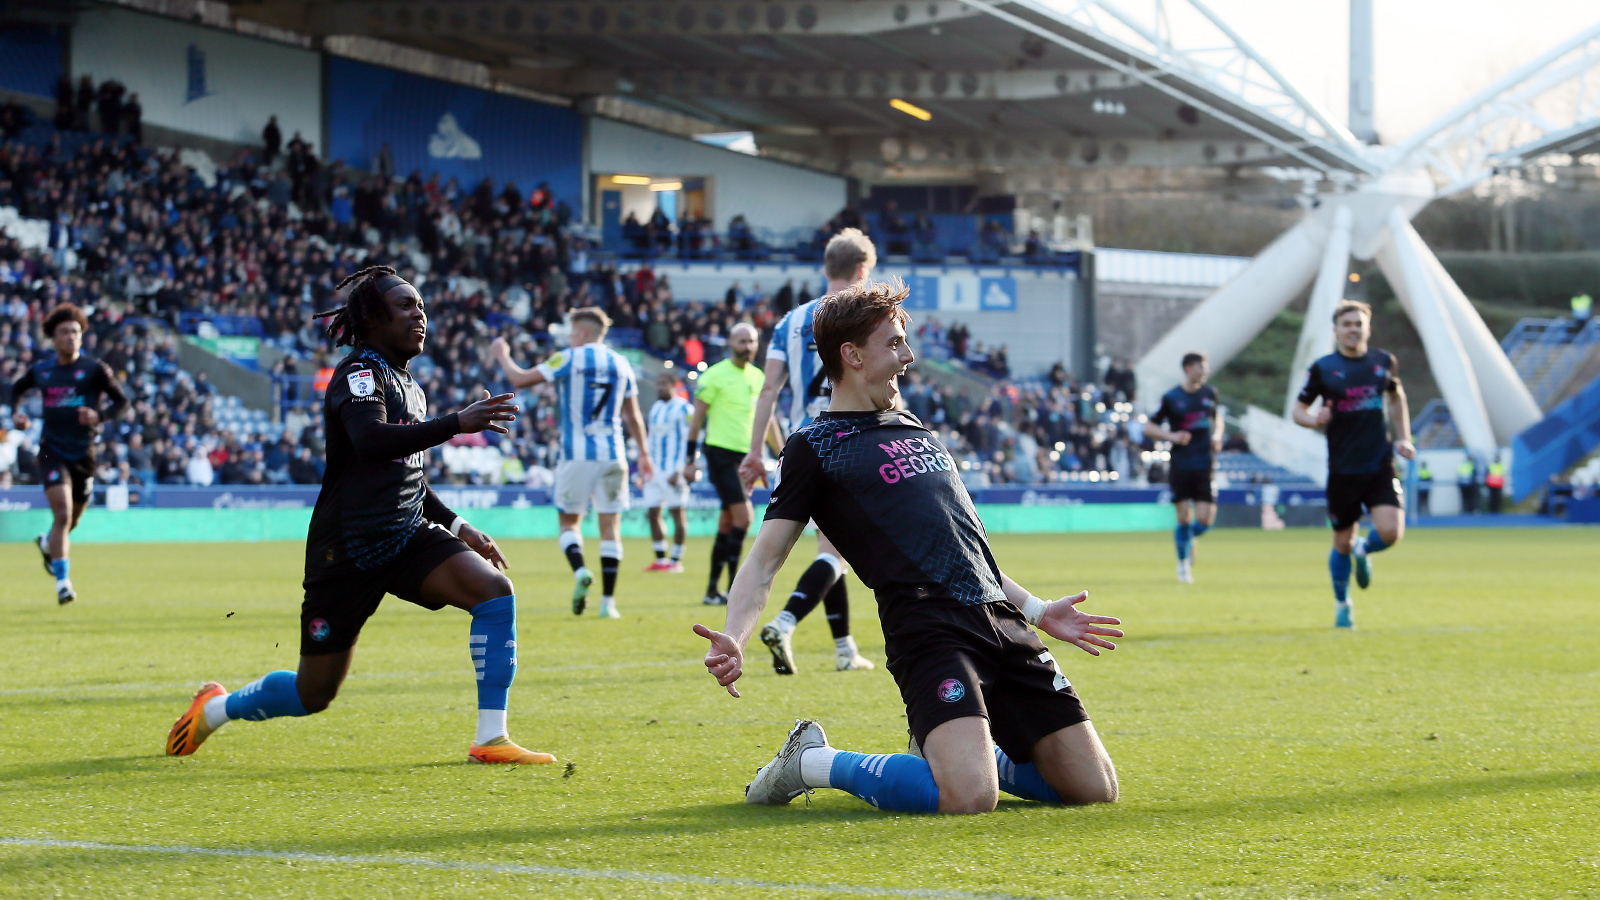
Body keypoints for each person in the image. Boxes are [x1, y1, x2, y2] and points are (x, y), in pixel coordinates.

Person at [694, 280, 1123, 814]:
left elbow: (967, 550)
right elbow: (763, 561)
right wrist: (735, 635)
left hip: (1001, 621)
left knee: (1094, 789)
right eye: (894, 343)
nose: (909, 355)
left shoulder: (913, 425)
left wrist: (1036, 610)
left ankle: (958, 752)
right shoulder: (814, 446)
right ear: (850, 356)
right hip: (928, 628)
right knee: (969, 799)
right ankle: (810, 761)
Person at [166, 267, 553, 764]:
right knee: (313, 694)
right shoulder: (359, 374)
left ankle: (491, 738)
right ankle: (214, 710)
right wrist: (456, 424)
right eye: (406, 306)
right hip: (345, 548)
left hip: (406, 535)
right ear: (371, 318)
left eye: (421, 306)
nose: (420, 314)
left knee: (495, 593)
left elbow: (406, 473)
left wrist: (458, 526)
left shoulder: (410, 385)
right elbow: (370, 441)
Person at [739, 228, 878, 673]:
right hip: (853, 442)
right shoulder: (866, 317)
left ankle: (844, 649)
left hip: (803, 447)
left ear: (825, 269)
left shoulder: (790, 321)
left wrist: (755, 451)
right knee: (836, 555)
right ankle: (784, 622)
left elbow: (768, 391)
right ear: (861, 270)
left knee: (827, 548)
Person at [491, 309, 652, 619]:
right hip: (613, 454)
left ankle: (580, 572)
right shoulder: (622, 363)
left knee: (568, 523)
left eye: (571, 331)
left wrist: (503, 353)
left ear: (580, 332)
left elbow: (518, 379)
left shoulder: (568, 358)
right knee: (610, 528)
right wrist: (644, 455)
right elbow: (633, 416)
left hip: (576, 455)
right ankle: (608, 604)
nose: (568, 336)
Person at [1292, 300, 1415, 629]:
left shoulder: (1383, 362)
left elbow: (1396, 397)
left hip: (1379, 464)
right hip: (1343, 469)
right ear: (1336, 331)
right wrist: (1314, 419)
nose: (1353, 329)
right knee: (1341, 542)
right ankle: (1342, 603)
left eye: (1358, 324)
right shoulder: (1323, 368)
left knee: (1391, 532)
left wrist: (1404, 437)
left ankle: (1365, 549)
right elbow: (1297, 411)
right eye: (1347, 324)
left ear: (1367, 328)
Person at [10, 304, 129, 604]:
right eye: (64, 332)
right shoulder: (43, 370)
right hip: (51, 452)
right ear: (53, 338)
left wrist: (99, 416)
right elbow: (16, 388)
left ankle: (48, 546)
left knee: (71, 521)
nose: (70, 337)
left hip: (84, 455)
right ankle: (63, 583)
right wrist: (16, 413)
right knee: (61, 514)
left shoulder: (94, 370)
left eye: (75, 332)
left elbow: (122, 402)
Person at [684, 323, 765, 606]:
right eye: (742, 341)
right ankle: (734, 589)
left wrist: (782, 454)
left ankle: (711, 591)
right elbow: (696, 421)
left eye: (751, 341)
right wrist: (689, 459)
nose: (747, 346)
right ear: (730, 343)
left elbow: (768, 422)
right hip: (719, 453)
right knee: (744, 519)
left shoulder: (758, 377)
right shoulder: (714, 375)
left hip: (746, 457)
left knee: (728, 522)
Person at [1142, 352, 1222, 583]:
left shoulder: (1210, 393)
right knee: (1183, 516)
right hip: (1181, 463)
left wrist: (1216, 435)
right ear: (1188, 368)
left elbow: (1217, 419)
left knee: (1205, 519)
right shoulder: (1171, 397)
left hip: (1205, 463)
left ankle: (1190, 539)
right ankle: (1183, 566)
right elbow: (1149, 427)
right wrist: (1172, 435)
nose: (1205, 371)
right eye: (1201, 367)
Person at [643, 371, 692, 572]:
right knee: (653, 512)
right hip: (654, 470)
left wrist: (681, 469)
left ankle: (676, 560)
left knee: (677, 513)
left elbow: (692, 440)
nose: (659, 387)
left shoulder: (684, 408)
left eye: (664, 383)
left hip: (674, 469)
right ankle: (661, 559)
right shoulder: (655, 408)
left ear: (674, 385)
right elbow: (650, 438)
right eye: (658, 383)